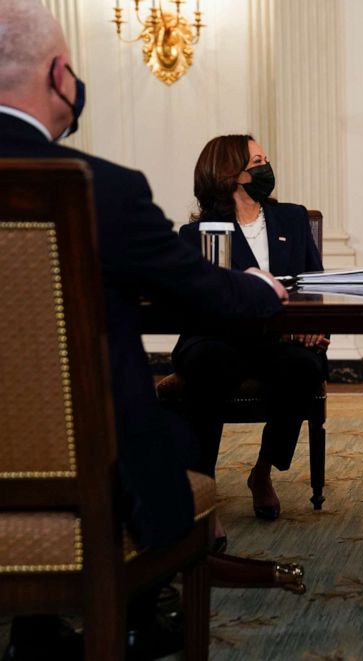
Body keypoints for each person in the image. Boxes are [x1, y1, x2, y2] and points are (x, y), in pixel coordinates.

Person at [0, 1, 286, 656]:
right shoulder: (102, 189)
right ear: (60, 76)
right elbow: (205, 289)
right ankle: (130, 615)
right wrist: (258, 287)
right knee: (173, 430)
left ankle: (38, 627)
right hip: (89, 469)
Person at [172, 134, 328, 528]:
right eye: (256, 161)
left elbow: (313, 286)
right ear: (230, 174)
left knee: (304, 367)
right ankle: (202, 493)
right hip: (219, 340)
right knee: (209, 362)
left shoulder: (292, 218)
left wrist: (314, 326)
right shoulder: (197, 235)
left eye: (264, 159)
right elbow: (197, 303)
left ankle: (262, 471)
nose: (265, 168)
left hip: (280, 341)